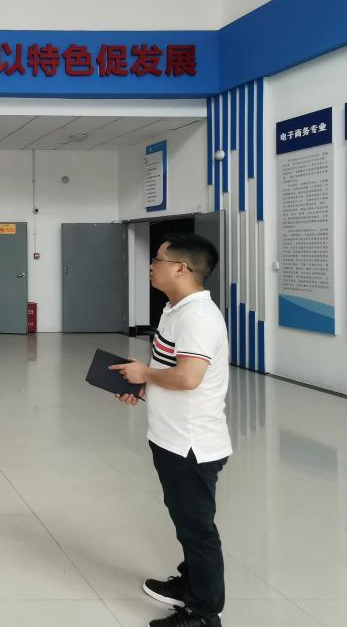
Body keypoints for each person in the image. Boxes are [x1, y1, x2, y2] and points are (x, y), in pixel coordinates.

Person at [112, 233, 232, 627]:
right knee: (185, 521)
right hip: (171, 437)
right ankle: (189, 584)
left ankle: (204, 612)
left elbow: (188, 377)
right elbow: (170, 370)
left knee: (197, 529)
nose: (152, 266)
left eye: (157, 260)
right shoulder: (174, 309)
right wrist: (143, 386)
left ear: (181, 268)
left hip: (192, 444)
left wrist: (144, 374)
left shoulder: (198, 317)